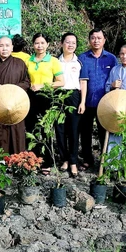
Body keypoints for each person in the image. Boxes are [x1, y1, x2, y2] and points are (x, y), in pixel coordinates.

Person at [78, 28, 117, 170]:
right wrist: (82, 102)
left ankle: (104, 160)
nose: (96, 41)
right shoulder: (82, 58)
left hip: (105, 103)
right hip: (87, 102)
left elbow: (116, 78)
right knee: (85, 132)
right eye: (93, 38)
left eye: (99, 38)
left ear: (104, 40)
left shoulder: (111, 58)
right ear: (89, 40)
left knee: (104, 132)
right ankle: (87, 159)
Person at [25, 33, 65, 171]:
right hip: (31, 98)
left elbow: (61, 82)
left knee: (45, 130)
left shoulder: (53, 61)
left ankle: (46, 162)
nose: (39, 46)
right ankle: (32, 161)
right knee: (31, 129)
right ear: (33, 44)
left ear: (47, 44)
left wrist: (43, 86)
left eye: (42, 43)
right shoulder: (28, 60)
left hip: (46, 98)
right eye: (37, 43)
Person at [0, 36, 30, 154]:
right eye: (1, 46)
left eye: (7, 46)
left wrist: (13, 89)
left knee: (16, 133)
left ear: (12, 47)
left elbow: (26, 82)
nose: (4, 49)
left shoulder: (20, 63)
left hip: (16, 105)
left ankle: (17, 160)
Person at [57, 32, 82, 177]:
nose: (70, 45)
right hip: (59, 96)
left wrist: (82, 102)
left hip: (74, 96)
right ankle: (64, 159)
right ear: (62, 44)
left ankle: (73, 161)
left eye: (73, 42)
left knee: (73, 130)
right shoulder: (55, 62)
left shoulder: (79, 62)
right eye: (67, 42)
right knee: (60, 130)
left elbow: (83, 83)